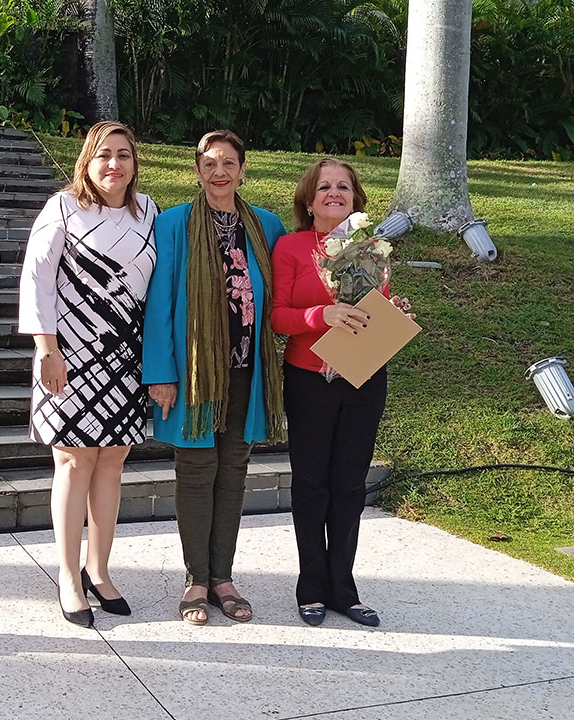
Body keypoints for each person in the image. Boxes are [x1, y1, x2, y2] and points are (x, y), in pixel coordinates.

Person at [142, 129, 286, 625]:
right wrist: (161, 373)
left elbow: (284, 295)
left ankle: (223, 577)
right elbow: (159, 301)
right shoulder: (174, 223)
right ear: (198, 171)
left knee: (234, 472)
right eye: (209, 163)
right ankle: (196, 579)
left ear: (243, 170)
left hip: (248, 370)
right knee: (196, 471)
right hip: (195, 373)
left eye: (228, 163)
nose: (219, 171)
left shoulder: (267, 225)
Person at [18, 121, 157, 627]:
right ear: (86, 161)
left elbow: (157, 288)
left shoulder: (150, 213)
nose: (114, 164)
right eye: (104, 155)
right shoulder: (62, 207)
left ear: (135, 164)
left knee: (113, 462)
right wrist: (46, 348)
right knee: (73, 463)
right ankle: (69, 578)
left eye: (123, 154)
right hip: (68, 355)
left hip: (127, 358)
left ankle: (99, 569)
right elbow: (36, 278)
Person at [270, 157, 412, 628]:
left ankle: (343, 588)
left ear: (355, 199)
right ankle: (310, 585)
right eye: (325, 187)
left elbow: (374, 307)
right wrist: (321, 317)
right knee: (312, 484)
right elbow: (278, 317)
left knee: (350, 485)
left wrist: (395, 309)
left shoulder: (371, 249)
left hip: (364, 374)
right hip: (310, 377)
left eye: (344, 187)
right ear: (309, 201)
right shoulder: (291, 248)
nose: (335, 193)